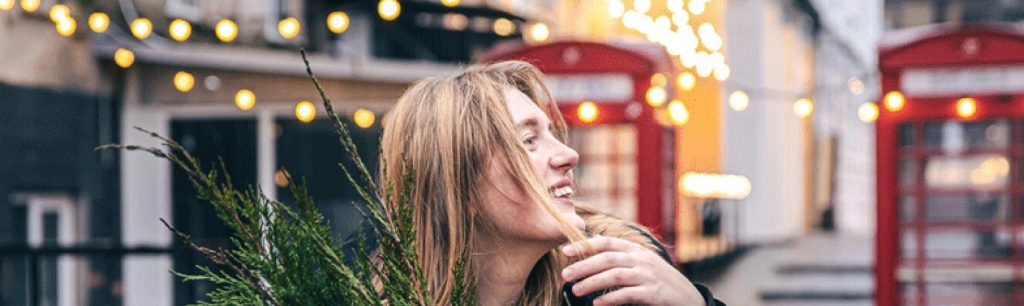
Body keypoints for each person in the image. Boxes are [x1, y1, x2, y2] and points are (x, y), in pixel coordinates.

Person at [378, 60, 724, 306]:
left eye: (554, 135)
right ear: (458, 184)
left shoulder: (615, 285)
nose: (568, 154)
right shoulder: (354, 291)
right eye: (529, 141)